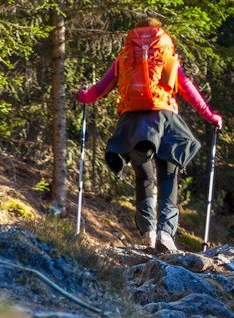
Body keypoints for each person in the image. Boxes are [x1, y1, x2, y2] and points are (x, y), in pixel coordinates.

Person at [76, 17, 222, 252]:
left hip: (133, 125)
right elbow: (187, 88)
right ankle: (166, 233)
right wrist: (211, 116)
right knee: (168, 177)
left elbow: (99, 90)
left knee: (144, 178)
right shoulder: (166, 57)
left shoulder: (124, 60)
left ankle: (148, 232)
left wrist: (83, 96)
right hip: (166, 122)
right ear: (160, 33)